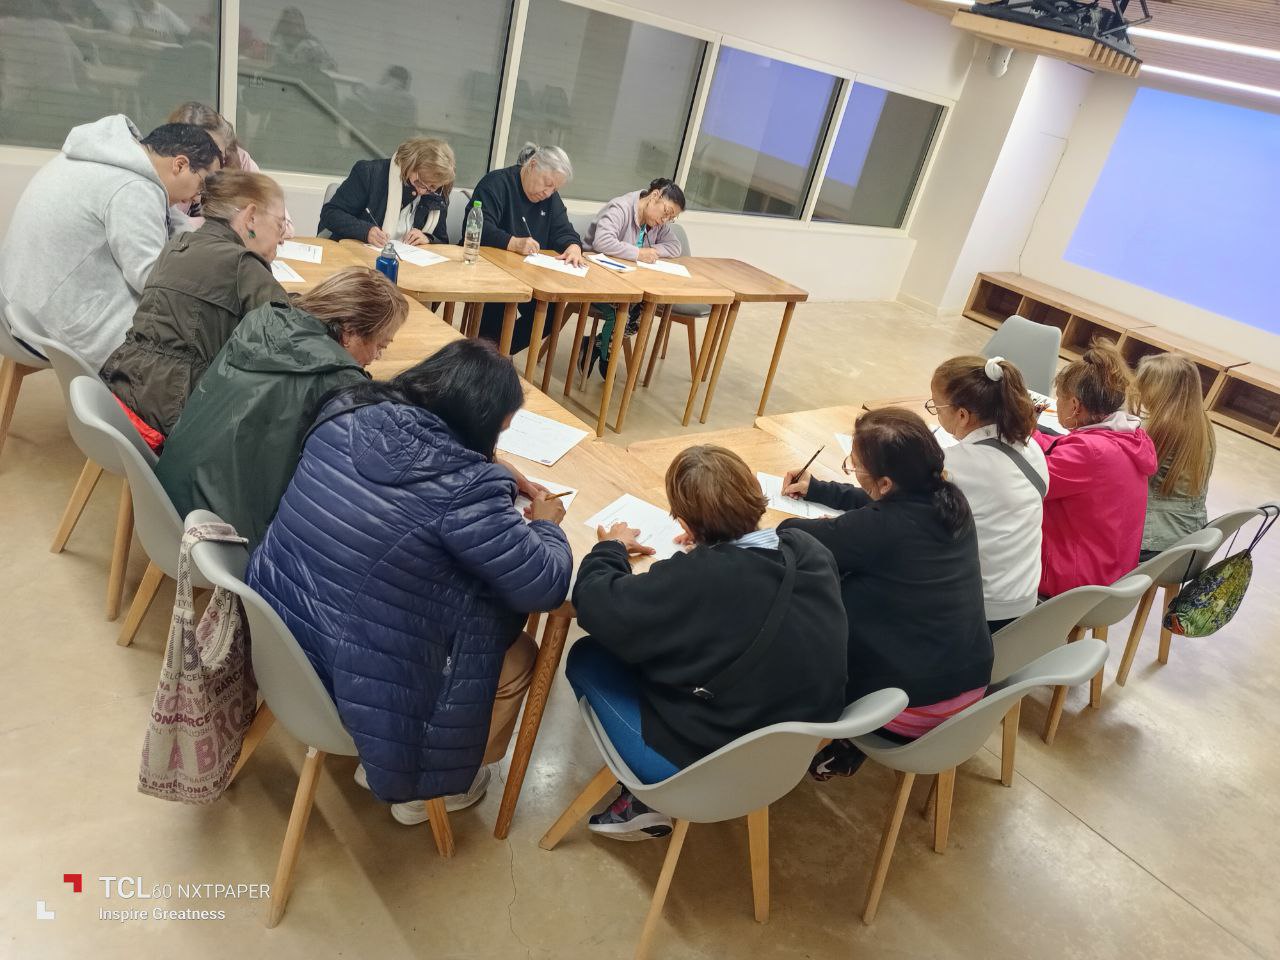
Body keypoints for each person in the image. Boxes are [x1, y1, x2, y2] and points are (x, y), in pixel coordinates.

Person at [245, 339, 573, 822]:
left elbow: (411, 456)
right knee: (520, 658)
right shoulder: (466, 491)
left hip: (280, 630)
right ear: (477, 425)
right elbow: (543, 585)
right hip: (355, 680)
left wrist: (494, 466)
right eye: (497, 432)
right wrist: (546, 523)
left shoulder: (346, 412)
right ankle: (426, 788)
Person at [569, 444, 847, 839]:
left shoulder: (697, 580)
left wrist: (610, 547)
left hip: (708, 763)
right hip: (795, 748)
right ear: (755, 496)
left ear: (683, 520)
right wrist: (710, 541)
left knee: (588, 655)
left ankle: (645, 799)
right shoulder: (809, 549)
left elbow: (596, 604)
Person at [779, 408, 992, 779]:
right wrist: (822, 490)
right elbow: (888, 510)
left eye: (856, 467)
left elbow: (794, 535)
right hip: (969, 694)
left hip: (909, 708)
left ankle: (788, 749)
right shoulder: (950, 501)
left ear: (887, 484)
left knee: (793, 629)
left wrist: (805, 520)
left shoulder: (881, 528)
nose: (854, 472)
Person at [155, 267, 408, 546]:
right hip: (220, 536)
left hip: (166, 497)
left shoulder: (262, 321)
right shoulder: (338, 381)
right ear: (349, 332)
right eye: (380, 345)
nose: (377, 357)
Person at [0, 116, 221, 370]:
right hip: (44, 323)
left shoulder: (99, 155)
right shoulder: (133, 187)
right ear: (180, 165)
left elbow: (168, 218)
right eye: (201, 186)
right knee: (189, 332)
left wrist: (203, 243)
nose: (196, 198)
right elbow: (152, 278)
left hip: (16, 301)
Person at [100, 171, 289, 448]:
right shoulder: (242, 265)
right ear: (250, 216)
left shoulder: (177, 245)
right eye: (280, 225)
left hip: (123, 392)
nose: (282, 238)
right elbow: (292, 338)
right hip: (175, 418)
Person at [930, 355, 1048, 634]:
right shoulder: (1032, 449)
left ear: (962, 415)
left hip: (981, 612)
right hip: (1023, 603)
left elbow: (900, 509)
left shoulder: (957, 464)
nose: (936, 414)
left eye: (937, 407)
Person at [1036, 340, 1157, 596]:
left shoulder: (1089, 451)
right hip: (1111, 571)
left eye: (1059, 399)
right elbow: (1063, 449)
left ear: (1075, 405)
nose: (1056, 405)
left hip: (1075, 580)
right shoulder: (1129, 437)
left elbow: (1030, 481)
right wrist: (1029, 434)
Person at [472, 143, 584, 355]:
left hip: (529, 275)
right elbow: (479, 227)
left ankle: (498, 354)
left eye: (555, 189)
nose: (548, 193)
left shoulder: (550, 199)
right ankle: (487, 356)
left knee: (552, 311)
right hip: (492, 272)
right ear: (533, 165)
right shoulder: (496, 183)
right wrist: (513, 242)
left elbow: (564, 230)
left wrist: (573, 247)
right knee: (500, 304)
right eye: (547, 184)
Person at [581, 178, 687, 374]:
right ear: (655, 196)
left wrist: (650, 250)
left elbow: (675, 246)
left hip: (628, 282)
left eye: (670, 218)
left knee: (644, 313)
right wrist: (638, 253)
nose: (665, 221)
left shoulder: (656, 222)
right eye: (666, 213)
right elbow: (602, 241)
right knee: (622, 313)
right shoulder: (620, 208)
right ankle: (607, 359)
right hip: (597, 278)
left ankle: (595, 345)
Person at [166, 101, 294, 237]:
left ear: (226, 145)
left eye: (216, 152)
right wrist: (233, 223)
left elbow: (284, 227)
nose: (210, 161)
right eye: (199, 153)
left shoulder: (239, 160)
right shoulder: (171, 174)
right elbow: (169, 230)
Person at [1132, 353, 1216, 559]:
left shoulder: (1163, 427)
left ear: (1161, 390)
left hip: (1154, 542)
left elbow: (1130, 476)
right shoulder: (1202, 423)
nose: (1141, 392)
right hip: (1189, 535)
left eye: (1145, 386)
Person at [318, 137, 455, 247]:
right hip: (359, 255)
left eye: (431, 187)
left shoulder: (439, 192)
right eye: (419, 182)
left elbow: (442, 241)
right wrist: (366, 231)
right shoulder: (370, 174)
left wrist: (427, 238)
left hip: (409, 265)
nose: (422, 190)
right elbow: (330, 214)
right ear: (409, 164)